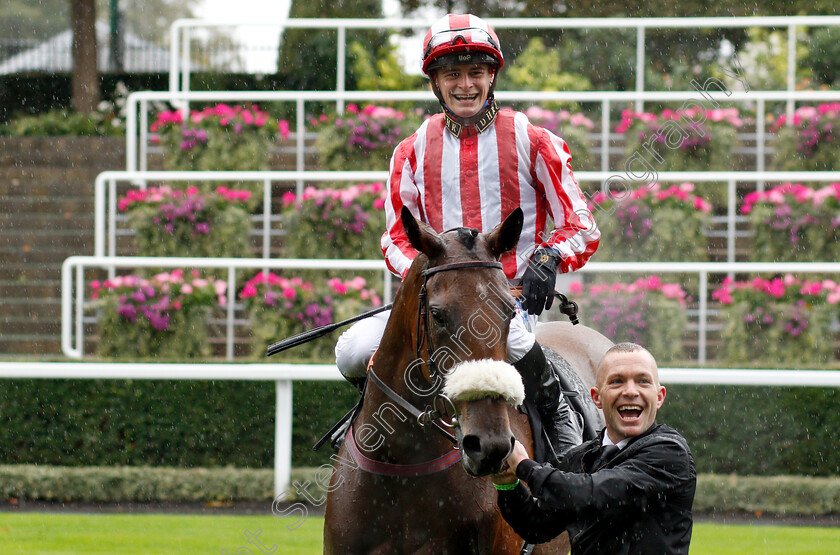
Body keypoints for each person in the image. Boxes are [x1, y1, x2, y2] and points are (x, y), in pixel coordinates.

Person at [334, 13, 600, 457]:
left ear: (492, 75)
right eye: (451, 74)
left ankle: (565, 437)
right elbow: (396, 239)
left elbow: (581, 225)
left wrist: (549, 257)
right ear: (435, 82)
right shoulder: (411, 150)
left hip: (504, 303)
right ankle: (369, 442)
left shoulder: (534, 141)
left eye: (475, 72)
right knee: (352, 351)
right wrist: (434, 275)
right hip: (435, 306)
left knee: (518, 345)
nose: (465, 85)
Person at [493, 343, 696, 554]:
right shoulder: (581, 457)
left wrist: (524, 466)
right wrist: (508, 485)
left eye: (643, 381)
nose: (630, 391)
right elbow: (536, 526)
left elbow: (592, 492)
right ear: (596, 397)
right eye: (617, 381)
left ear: (660, 396)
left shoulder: (670, 452)